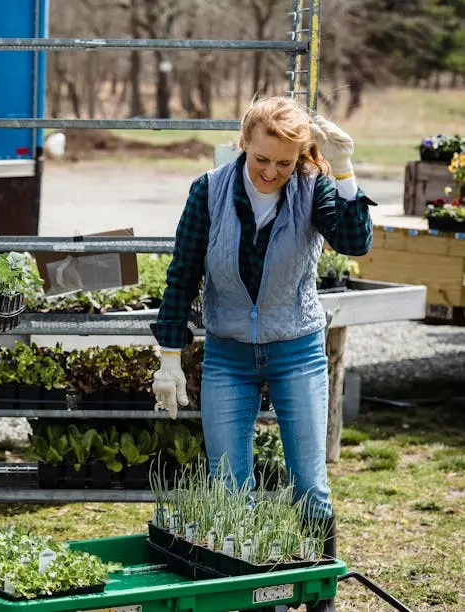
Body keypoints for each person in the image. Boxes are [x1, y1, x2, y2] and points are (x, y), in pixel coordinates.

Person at [151, 96, 374, 612]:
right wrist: (169, 357)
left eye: (285, 162)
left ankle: (319, 599)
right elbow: (182, 274)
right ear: (243, 144)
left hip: (296, 350)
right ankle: (257, 598)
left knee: (309, 485)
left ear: (301, 159)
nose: (272, 172)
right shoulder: (207, 191)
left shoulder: (313, 187)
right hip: (228, 354)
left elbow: (354, 242)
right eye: (261, 159)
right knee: (230, 486)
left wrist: (343, 173)